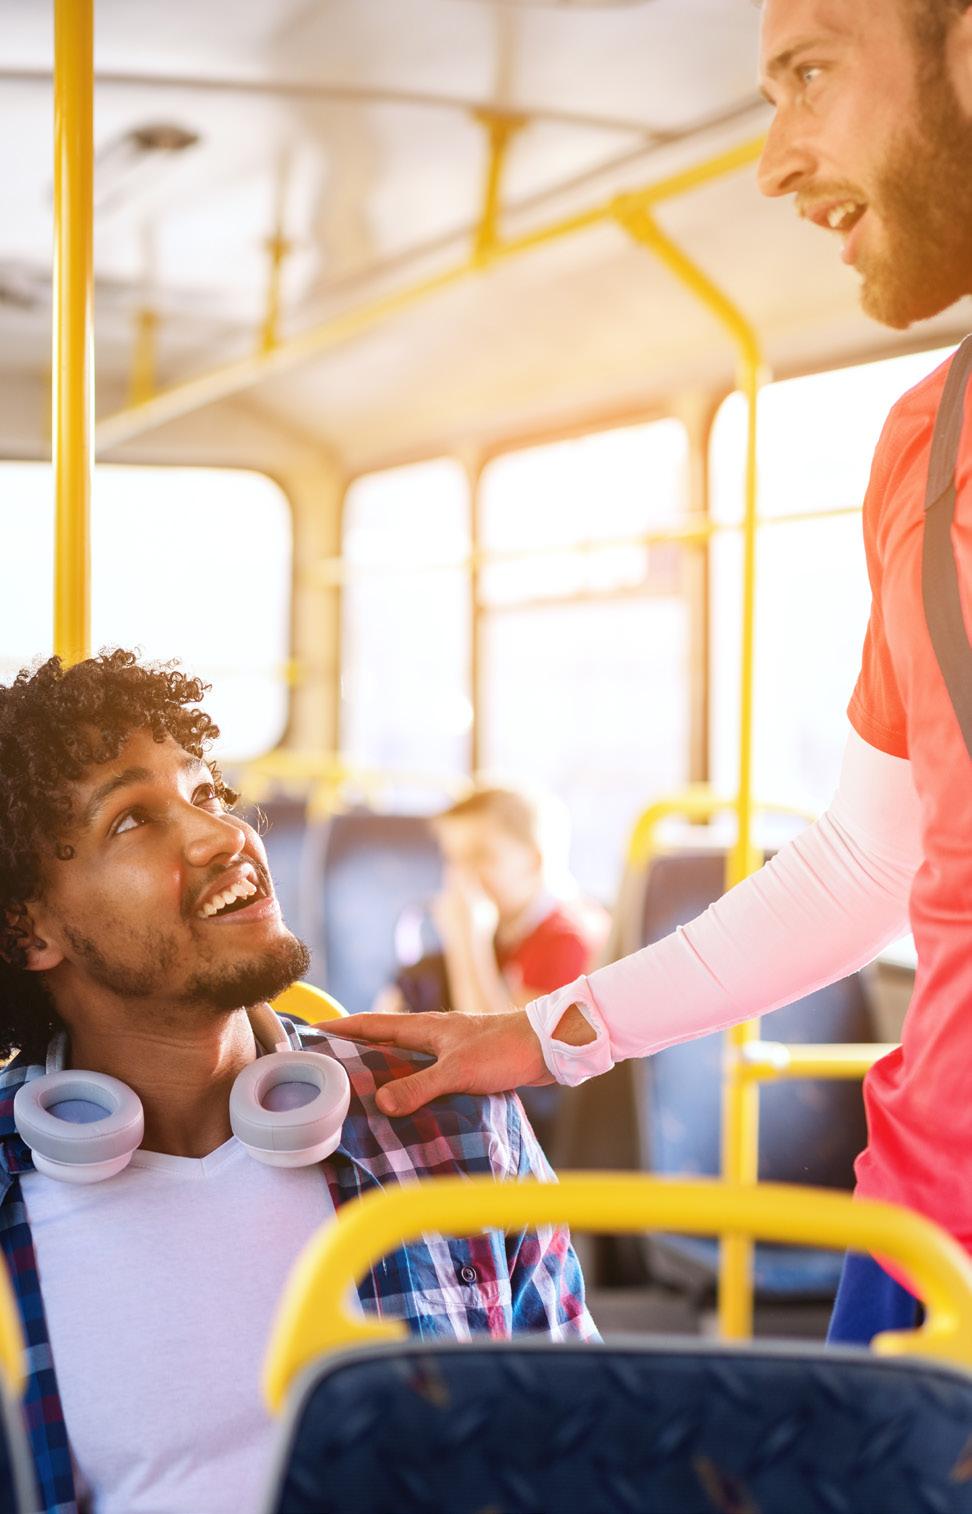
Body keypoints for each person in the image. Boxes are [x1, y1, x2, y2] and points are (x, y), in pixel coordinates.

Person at [331, 0, 972, 1349]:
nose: (774, 159)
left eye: (809, 74)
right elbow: (868, 865)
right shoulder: (923, 443)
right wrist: (548, 1031)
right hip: (923, 1231)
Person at [0, 651, 595, 1514]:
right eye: (132, 820)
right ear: (30, 934)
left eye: (205, 794)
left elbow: (578, 1446)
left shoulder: (449, 1116)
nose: (223, 834)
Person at [382, 787, 608, 1018]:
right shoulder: (509, 925)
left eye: (481, 856)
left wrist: (468, 940)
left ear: (534, 862)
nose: (463, 877)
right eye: (453, 859)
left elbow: (500, 1047)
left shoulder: (566, 940)